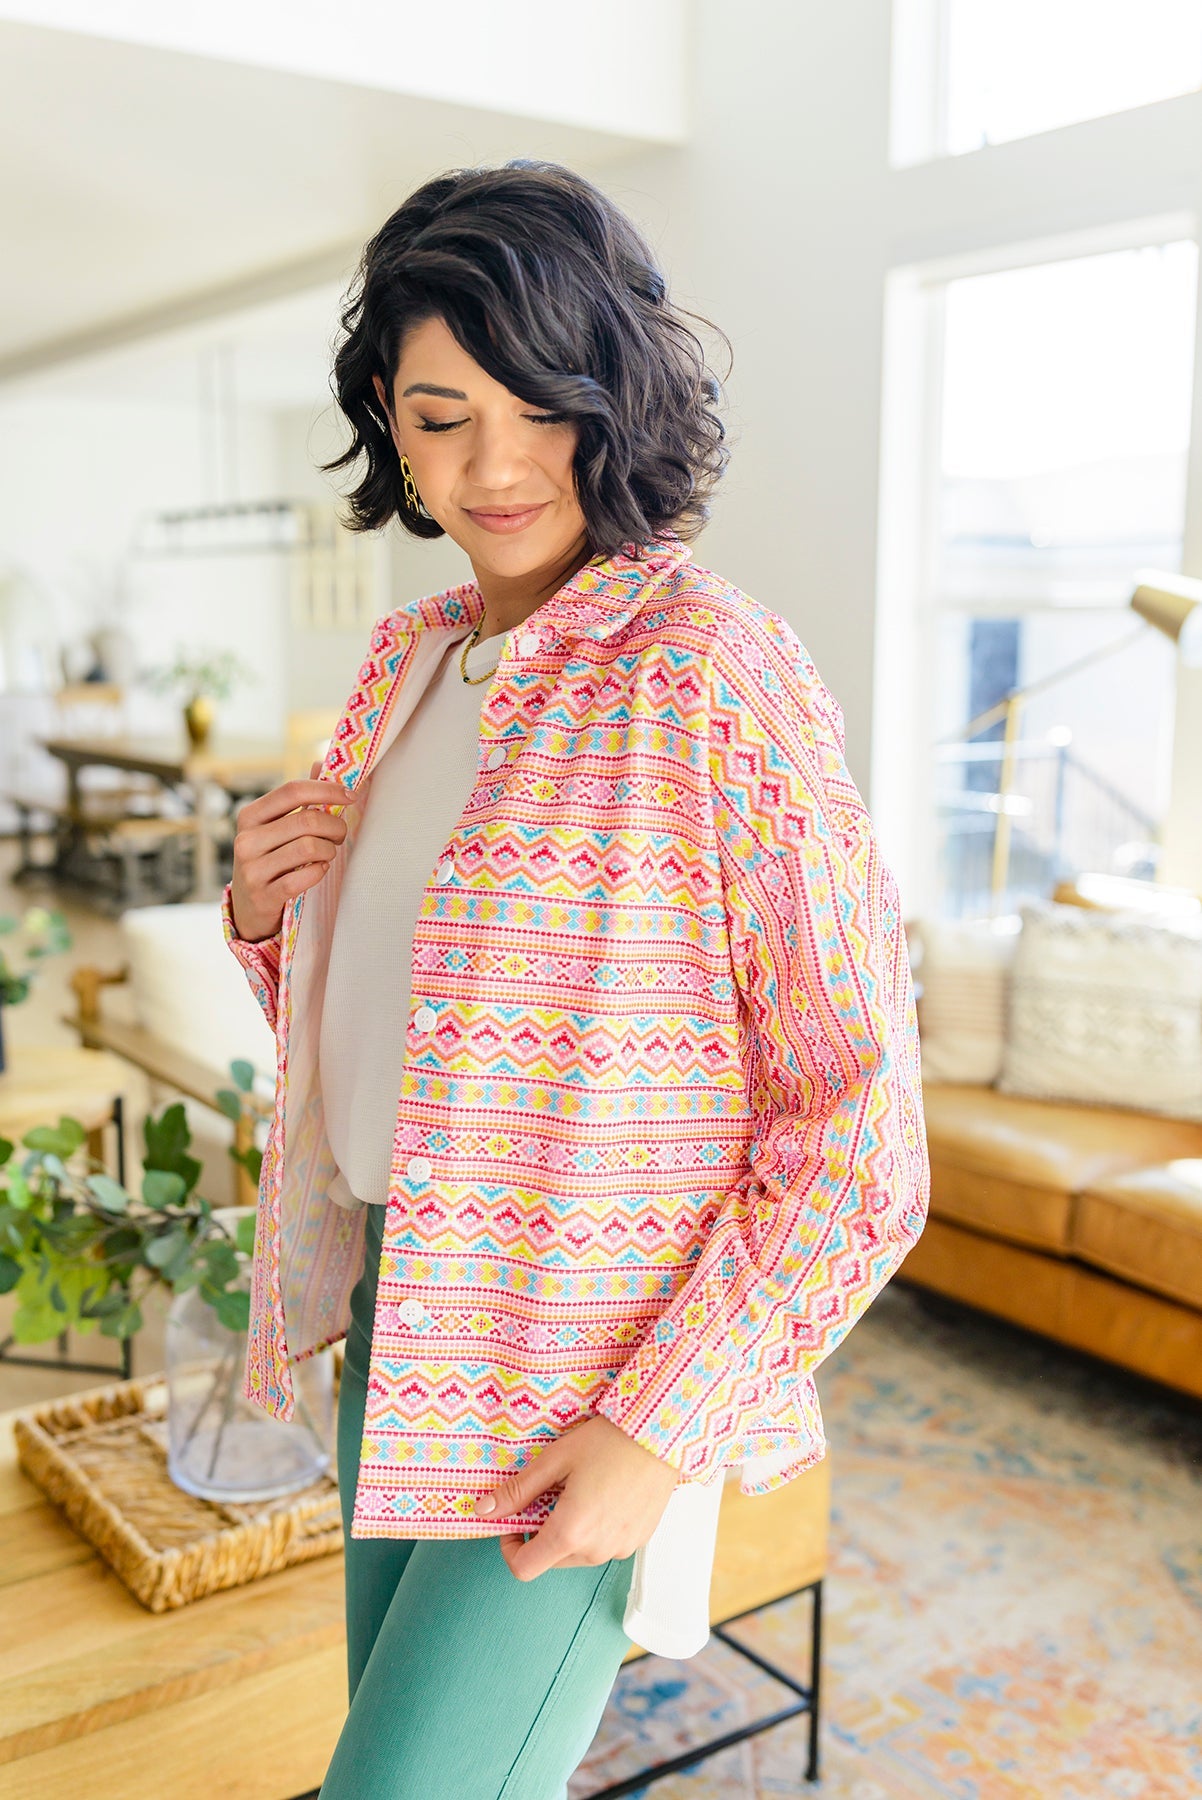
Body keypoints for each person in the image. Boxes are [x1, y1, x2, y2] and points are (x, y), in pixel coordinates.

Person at [221, 158, 930, 1800]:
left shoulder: (711, 673)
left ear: (610, 393)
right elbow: (427, 1041)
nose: (493, 464)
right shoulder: (405, 667)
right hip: (401, 1321)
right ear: (389, 426)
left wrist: (662, 1428)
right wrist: (270, 920)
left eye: (537, 403)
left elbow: (857, 1134)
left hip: (574, 1375)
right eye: (441, 414)